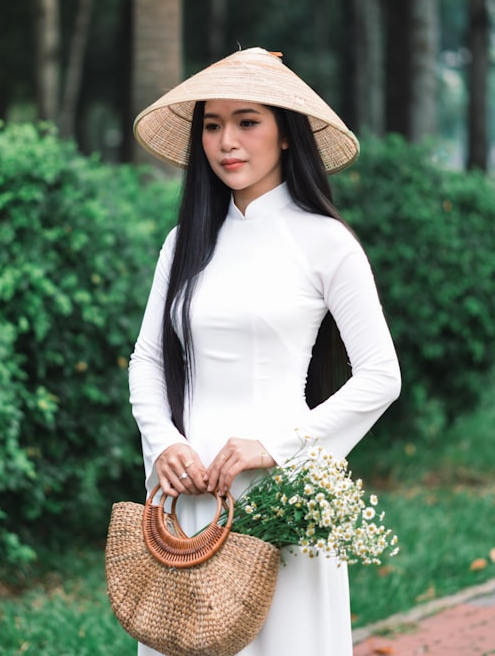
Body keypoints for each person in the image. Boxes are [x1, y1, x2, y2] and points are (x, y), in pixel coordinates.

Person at [128, 47, 401, 655]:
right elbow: (147, 358)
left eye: (247, 121)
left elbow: (381, 376)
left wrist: (275, 449)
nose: (228, 141)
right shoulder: (185, 242)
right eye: (212, 124)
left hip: (278, 494)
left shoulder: (326, 243)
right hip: (187, 490)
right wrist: (163, 441)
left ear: (285, 136)